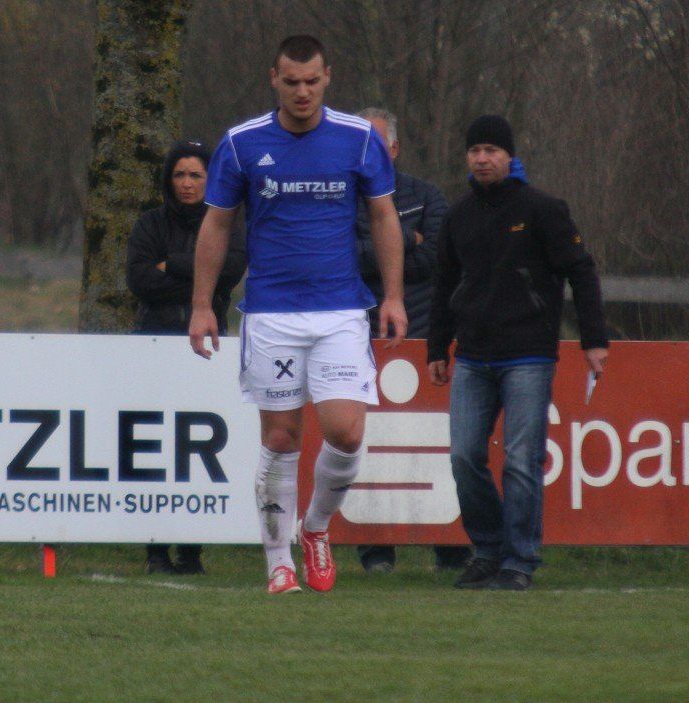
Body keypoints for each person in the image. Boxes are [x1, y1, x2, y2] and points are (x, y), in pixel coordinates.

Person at [189, 35, 407, 594]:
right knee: (282, 438)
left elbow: (384, 218)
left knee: (346, 432)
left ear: (327, 76)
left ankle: (315, 527)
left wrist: (393, 296)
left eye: (312, 81)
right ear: (274, 79)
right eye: (292, 82)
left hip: (341, 310)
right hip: (272, 313)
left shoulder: (359, 139)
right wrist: (202, 306)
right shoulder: (242, 143)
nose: (303, 92)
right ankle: (278, 560)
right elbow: (216, 224)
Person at [427, 114, 609, 591]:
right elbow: (445, 282)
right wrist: (436, 347)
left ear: (510, 156)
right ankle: (488, 551)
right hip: (471, 356)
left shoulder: (543, 209)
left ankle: (519, 561)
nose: (482, 159)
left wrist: (594, 339)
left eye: (491, 150)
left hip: (528, 354)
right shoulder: (458, 215)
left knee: (521, 460)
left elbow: (581, 271)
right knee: (464, 457)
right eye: (474, 151)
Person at [352, 107, 473, 574]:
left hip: (425, 337)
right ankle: (376, 549)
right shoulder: (339, 198)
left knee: (437, 447)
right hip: (360, 339)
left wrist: (383, 250)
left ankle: (451, 548)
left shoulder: (427, 194)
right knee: (369, 446)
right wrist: (407, 240)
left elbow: (440, 259)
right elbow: (343, 258)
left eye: (376, 144)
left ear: (395, 149)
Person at [126, 138, 247, 575]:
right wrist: (199, 273)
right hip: (154, 343)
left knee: (200, 447)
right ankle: (155, 549)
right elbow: (140, 280)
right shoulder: (149, 224)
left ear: (210, 179)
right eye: (179, 174)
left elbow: (229, 273)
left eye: (196, 175)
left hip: (207, 348)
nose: (187, 183)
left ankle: (192, 550)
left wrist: (170, 265)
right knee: (154, 444)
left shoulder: (228, 222)